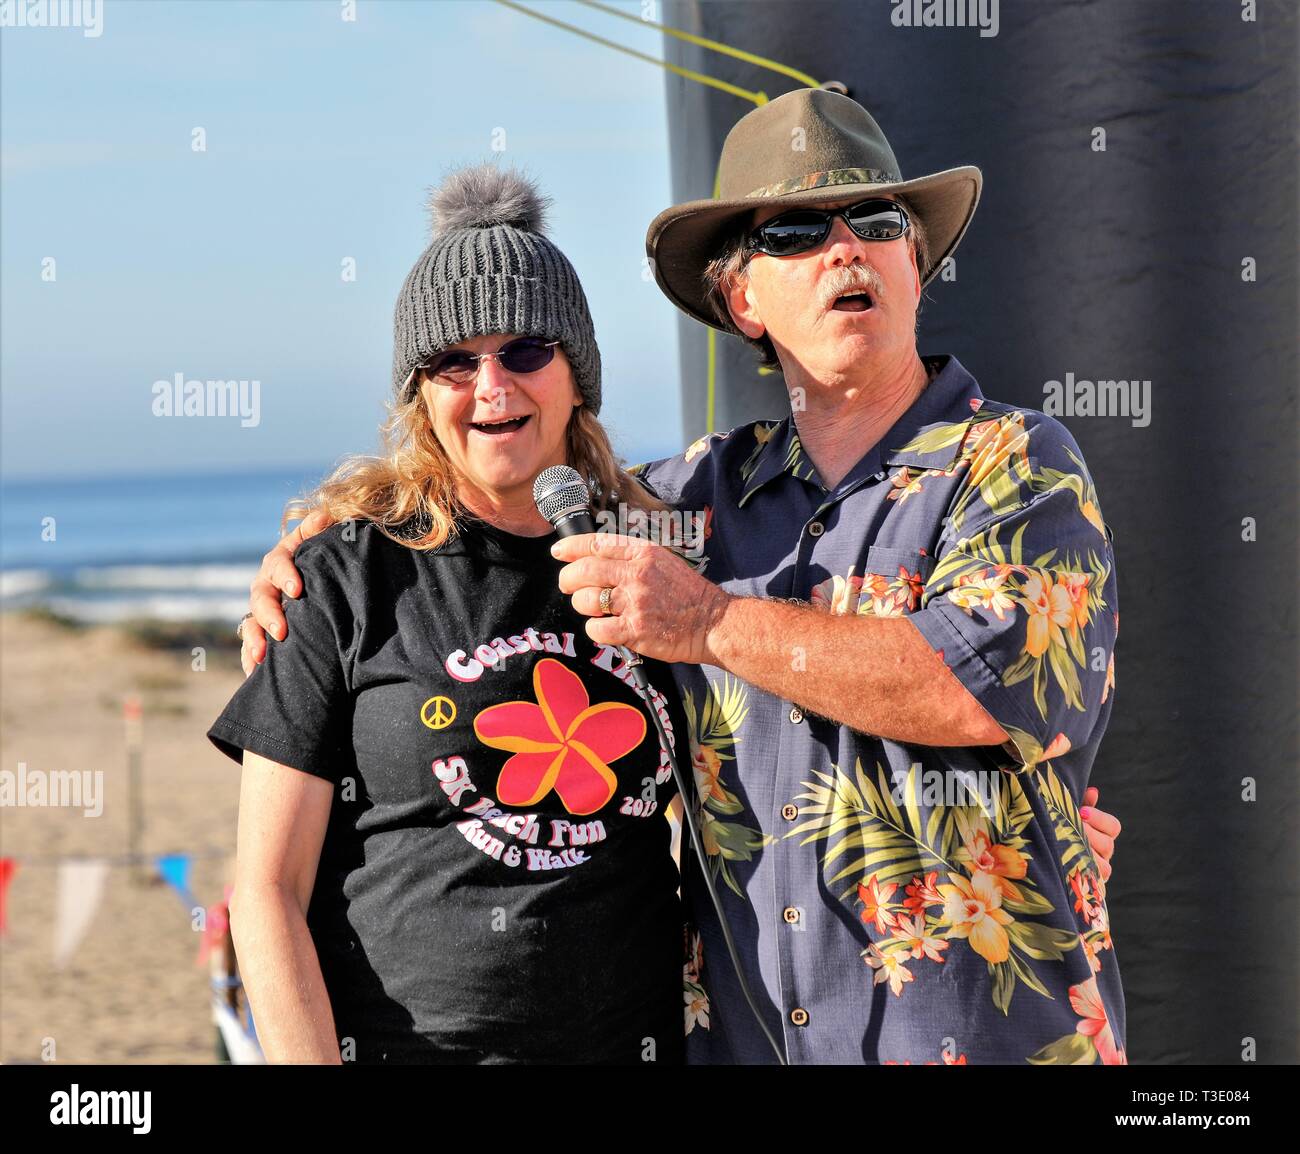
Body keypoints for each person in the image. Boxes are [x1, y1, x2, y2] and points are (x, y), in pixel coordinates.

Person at [239, 93, 1125, 1065]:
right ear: (741, 298)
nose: (844, 249)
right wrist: (331, 544)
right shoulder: (684, 501)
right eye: (794, 230)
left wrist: (710, 623)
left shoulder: (1016, 462)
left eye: (876, 222)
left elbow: (972, 688)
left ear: (915, 261)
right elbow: (499, 514)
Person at [206, 164, 689, 1065]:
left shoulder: (652, 558)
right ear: (422, 396)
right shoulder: (343, 575)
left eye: (526, 350)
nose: (492, 385)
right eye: (454, 362)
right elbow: (266, 890)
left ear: (578, 374)